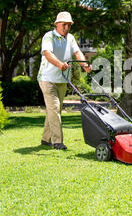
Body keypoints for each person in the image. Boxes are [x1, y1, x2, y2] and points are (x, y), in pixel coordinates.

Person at [37, 11, 92, 150]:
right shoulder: (49, 37)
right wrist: (59, 64)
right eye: (64, 24)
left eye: (69, 25)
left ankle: (45, 139)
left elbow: (77, 52)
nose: (66, 27)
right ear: (57, 24)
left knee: (54, 110)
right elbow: (48, 54)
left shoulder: (71, 38)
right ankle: (57, 142)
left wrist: (85, 65)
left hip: (62, 79)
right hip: (47, 78)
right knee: (55, 109)